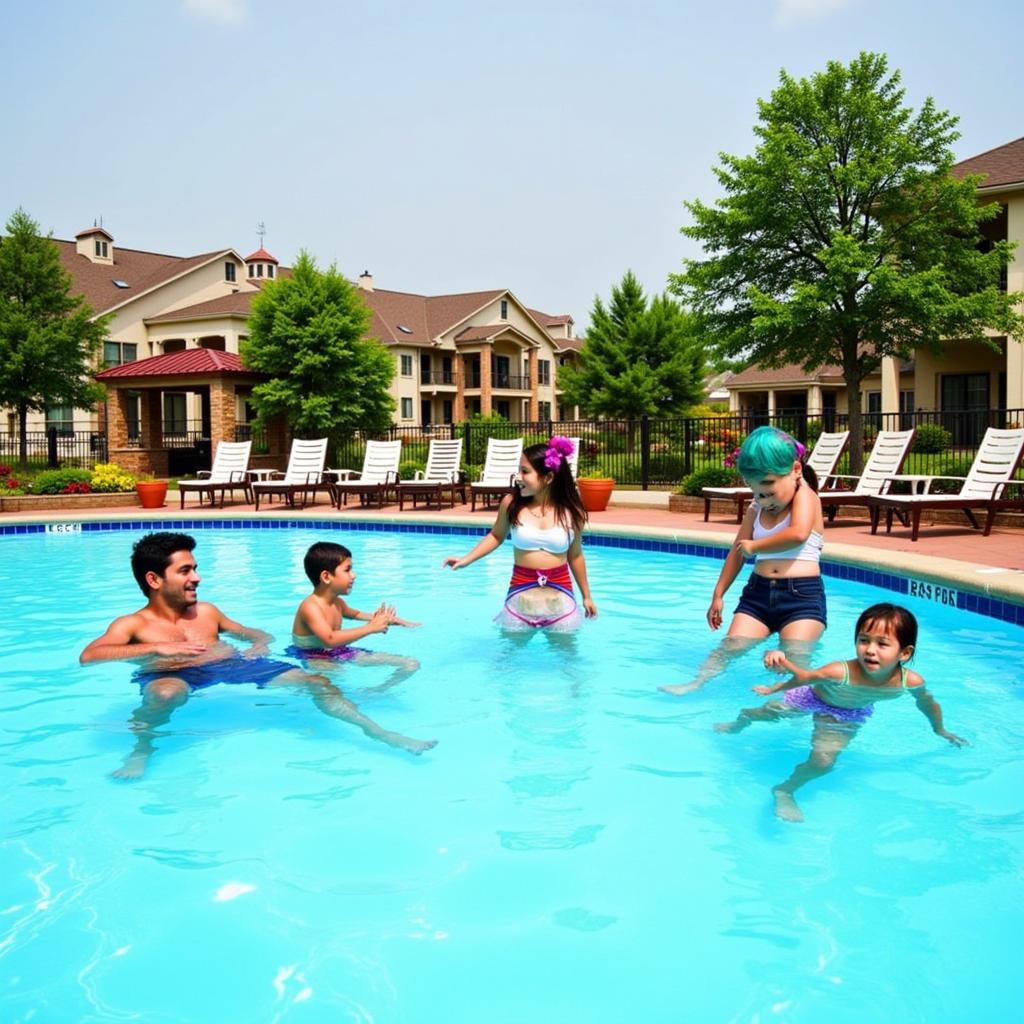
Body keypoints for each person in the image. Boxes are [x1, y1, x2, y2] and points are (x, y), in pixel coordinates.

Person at [80, 532, 435, 779]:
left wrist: (258, 645)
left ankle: (379, 733)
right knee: (164, 693)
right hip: (174, 673)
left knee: (317, 681)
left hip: (232, 665)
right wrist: (157, 648)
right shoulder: (133, 623)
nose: (197, 578)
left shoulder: (207, 612)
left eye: (195, 568)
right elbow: (90, 655)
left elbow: (255, 633)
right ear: (155, 580)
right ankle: (143, 748)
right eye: (185, 571)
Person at [715, 603, 967, 822]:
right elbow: (803, 678)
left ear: (905, 653)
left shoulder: (909, 681)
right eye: (864, 640)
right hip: (811, 698)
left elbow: (927, 702)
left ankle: (785, 790)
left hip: (847, 714)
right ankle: (738, 722)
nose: (870, 649)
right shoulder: (839, 671)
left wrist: (939, 729)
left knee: (823, 762)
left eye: (882, 644)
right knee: (762, 713)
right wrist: (773, 687)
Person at [661, 426, 825, 696]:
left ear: (796, 470)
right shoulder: (757, 507)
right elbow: (737, 550)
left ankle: (785, 700)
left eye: (770, 490)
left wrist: (756, 546)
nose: (764, 499)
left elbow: (798, 534)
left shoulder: (806, 497)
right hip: (758, 594)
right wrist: (718, 594)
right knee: (729, 648)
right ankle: (696, 683)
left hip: (802, 597)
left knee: (795, 659)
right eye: (756, 492)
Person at [443, 437, 597, 628]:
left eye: (525, 472)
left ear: (548, 478)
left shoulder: (573, 513)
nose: (518, 477)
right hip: (520, 591)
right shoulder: (511, 504)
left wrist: (587, 597)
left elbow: (575, 555)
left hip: (560, 596)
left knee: (566, 658)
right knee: (508, 656)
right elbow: (496, 536)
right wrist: (466, 559)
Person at [288, 541, 422, 690]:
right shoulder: (310, 607)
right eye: (347, 570)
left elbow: (356, 614)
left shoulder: (337, 603)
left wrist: (385, 620)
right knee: (332, 684)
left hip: (339, 651)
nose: (354, 575)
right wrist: (370, 628)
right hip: (313, 656)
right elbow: (330, 639)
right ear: (326, 576)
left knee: (411, 663)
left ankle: (377, 691)